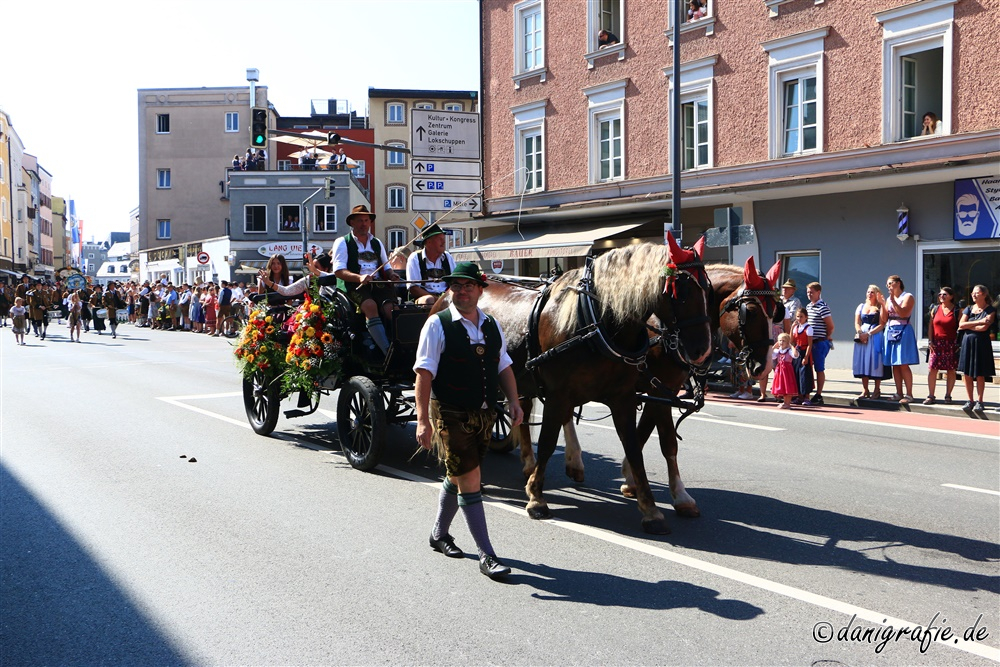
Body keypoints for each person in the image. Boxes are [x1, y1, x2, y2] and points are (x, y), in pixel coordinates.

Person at [414, 261, 524, 580]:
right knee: (471, 478)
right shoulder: (438, 325)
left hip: (485, 411)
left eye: (468, 285)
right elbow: (423, 374)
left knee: (460, 473)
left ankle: (438, 534)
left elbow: (503, 365)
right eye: (456, 286)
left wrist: (514, 402)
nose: (462, 292)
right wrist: (423, 420)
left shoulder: (491, 324)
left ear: (479, 289)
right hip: (450, 410)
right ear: (450, 290)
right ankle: (487, 555)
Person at [331, 204, 402, 355]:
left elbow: (386, 266)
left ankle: (401, 344)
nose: (364, 224)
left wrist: (391, 275)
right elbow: (338, 271)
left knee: (392, 309)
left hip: (377, 283)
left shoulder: (376, 242)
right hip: (353, 285)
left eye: (366, 220)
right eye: (360, 220)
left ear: (370, 222)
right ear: (352, 223)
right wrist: (359, 277)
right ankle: (387, 351)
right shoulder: (343, 242)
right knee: (370, 305)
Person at [957, 285, 996, 412]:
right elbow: (961, 325)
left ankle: (980, 401)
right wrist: (979, 321)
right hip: (967, 342)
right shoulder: (969, 309)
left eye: (977, 293)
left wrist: (970, 325)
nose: (973, 295)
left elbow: (984, 328)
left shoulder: (990, 310)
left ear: (984, 294)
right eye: (973, 293)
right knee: (967, 374)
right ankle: (970, 400)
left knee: (979, 374)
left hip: (981, 344)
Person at [882, 274, 918, 403]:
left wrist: (892, 300)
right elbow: (884, 318)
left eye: (890, 283)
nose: (888, 286)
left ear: (898, 283)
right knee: (894, 364)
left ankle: (909, 394)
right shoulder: (888, 299)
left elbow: (903, 313)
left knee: (903, 363)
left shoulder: (908, 297)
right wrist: (883, 304)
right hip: (891, 329)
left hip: (903, 329)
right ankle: (899, 392)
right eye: (887, 284)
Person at [852, 285, 890, 400]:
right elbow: (857, 322)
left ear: (877, 294)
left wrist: (868, 334)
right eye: (868, 292)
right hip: (862, 336)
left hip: (875, 335)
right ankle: (865, 389)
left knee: (875, 361)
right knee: (863, 361)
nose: (869, 294)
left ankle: (877, 389)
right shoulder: (861, 306)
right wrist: (860, 333)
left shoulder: (880, 307)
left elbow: (882, 324)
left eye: (872, 292)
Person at [925, 286, 960, 405]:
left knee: (951, 370)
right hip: (936, 343)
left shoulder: (956, 311)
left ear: (951, 296)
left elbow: (960, 328)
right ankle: (931, 395)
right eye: (940, 294)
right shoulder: (935, 309)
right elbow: (931, 326)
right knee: (932, 369)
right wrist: (930, 341)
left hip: (951, 344)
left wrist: (958, 344)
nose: (941, 296)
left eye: (944, 294)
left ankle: (948, 395)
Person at [407, 224, 455, 305]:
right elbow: (414, 288)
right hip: (423, 298)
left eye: (443, 239)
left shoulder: (448, 257)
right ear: (429, 241)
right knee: (429, 300)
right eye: (440, 239)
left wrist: (447, 296)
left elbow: (455, 282)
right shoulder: (415, 258)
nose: (443, 242)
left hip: (447, 297)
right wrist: (438, 300)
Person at [805, 282, 834, 405]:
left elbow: (830, 326)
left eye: (811, 292)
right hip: (809, 342)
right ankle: (806, 392)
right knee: (807, 367)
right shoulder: (808, 307)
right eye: (808, 292)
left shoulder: (823, 307)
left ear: (818, 292)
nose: (809, 294)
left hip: (819, 342)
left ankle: (818, 394)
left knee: (819, 368)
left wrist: (826, 337)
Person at [790, 307, 814, 405]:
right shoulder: (796, 328)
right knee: (796, 373)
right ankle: (799, 396)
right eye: (798, 316)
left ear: (806, 317)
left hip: (804, 352)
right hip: (797, 353)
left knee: (805, 374)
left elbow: (809, 344)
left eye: (801, 317)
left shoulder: (808, 328)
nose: (799, 319)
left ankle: (807, 397)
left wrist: (806, 357)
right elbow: (791, 341)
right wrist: (792, 328)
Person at [770, 333, 799, 409]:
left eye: (784, 341)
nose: (781, 342)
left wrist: (792, 346)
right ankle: (784, 402)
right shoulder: (777, 351)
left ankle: (787, 403)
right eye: (780, 341)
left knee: (788, 386)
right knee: (782, 385)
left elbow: (796, 355)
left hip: (787, 371)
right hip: (780, 371)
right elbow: (770, 356)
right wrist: (774, 347)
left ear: (787, 342)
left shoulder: (789, 351)